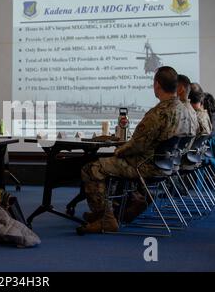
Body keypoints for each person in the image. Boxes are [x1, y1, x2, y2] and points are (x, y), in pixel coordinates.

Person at [79, 66, 197, 233]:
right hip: (170, 165)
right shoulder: (186, 111)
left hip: (147, 166)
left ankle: (105, 218)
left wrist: (119, 151)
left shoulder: (158, 113)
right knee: (116, 165)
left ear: (157, 85)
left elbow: (137, 145)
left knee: (92, 168)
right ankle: (134, 202)